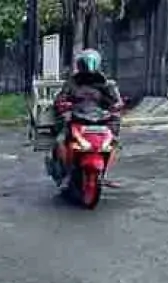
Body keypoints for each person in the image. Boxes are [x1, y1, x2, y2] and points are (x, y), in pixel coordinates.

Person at [51, 49, 123, 186]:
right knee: (60, 140)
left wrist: (115, 106)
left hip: (99, 119)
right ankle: (64, 170)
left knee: (113, 141)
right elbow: (60, 99)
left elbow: (115, 101)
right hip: (77, 117)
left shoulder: (105, 83)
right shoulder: (72, 82)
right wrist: (64, 104)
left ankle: (103, 173)